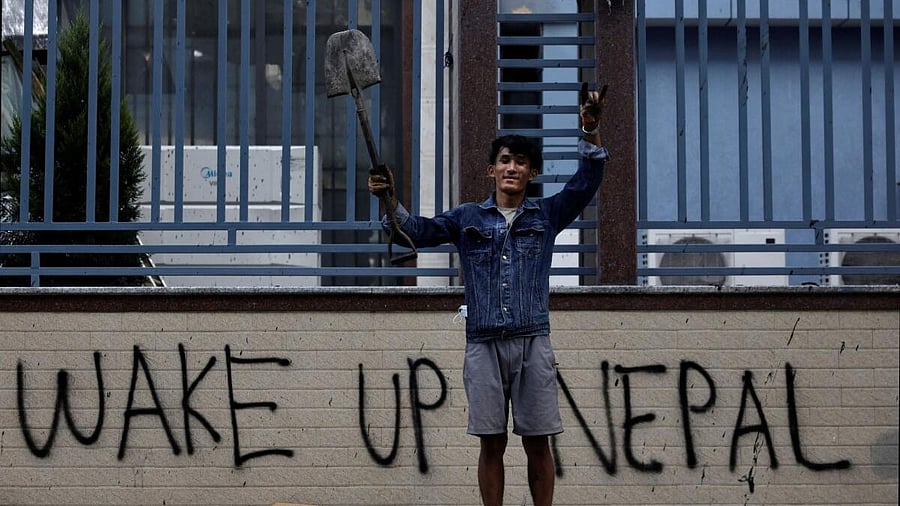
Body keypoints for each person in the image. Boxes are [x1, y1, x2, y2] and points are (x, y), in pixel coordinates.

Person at [369, 87, 608, 506]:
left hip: (532, 341)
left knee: (538, 443)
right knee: (491, 444)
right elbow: (416, 231)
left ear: (532, 173)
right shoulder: (468, 218)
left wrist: (590, 129)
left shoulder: (546, 215)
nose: (512, 167)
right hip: (482, 344)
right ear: (491, 170)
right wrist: (387, 199)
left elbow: (586, 182)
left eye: (521, 162)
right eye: (505, 160)